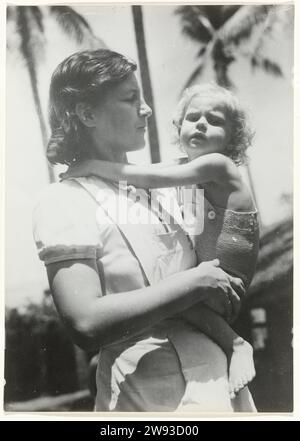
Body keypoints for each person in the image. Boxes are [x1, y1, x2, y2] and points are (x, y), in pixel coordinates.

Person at [33, 49, 252, 412]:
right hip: (145, 393)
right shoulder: (64, 199)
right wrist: (194, 283)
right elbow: (84, 322)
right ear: (88, 114)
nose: (147, 109)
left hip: (221, 386)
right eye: (131, 98)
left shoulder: (167, 187)